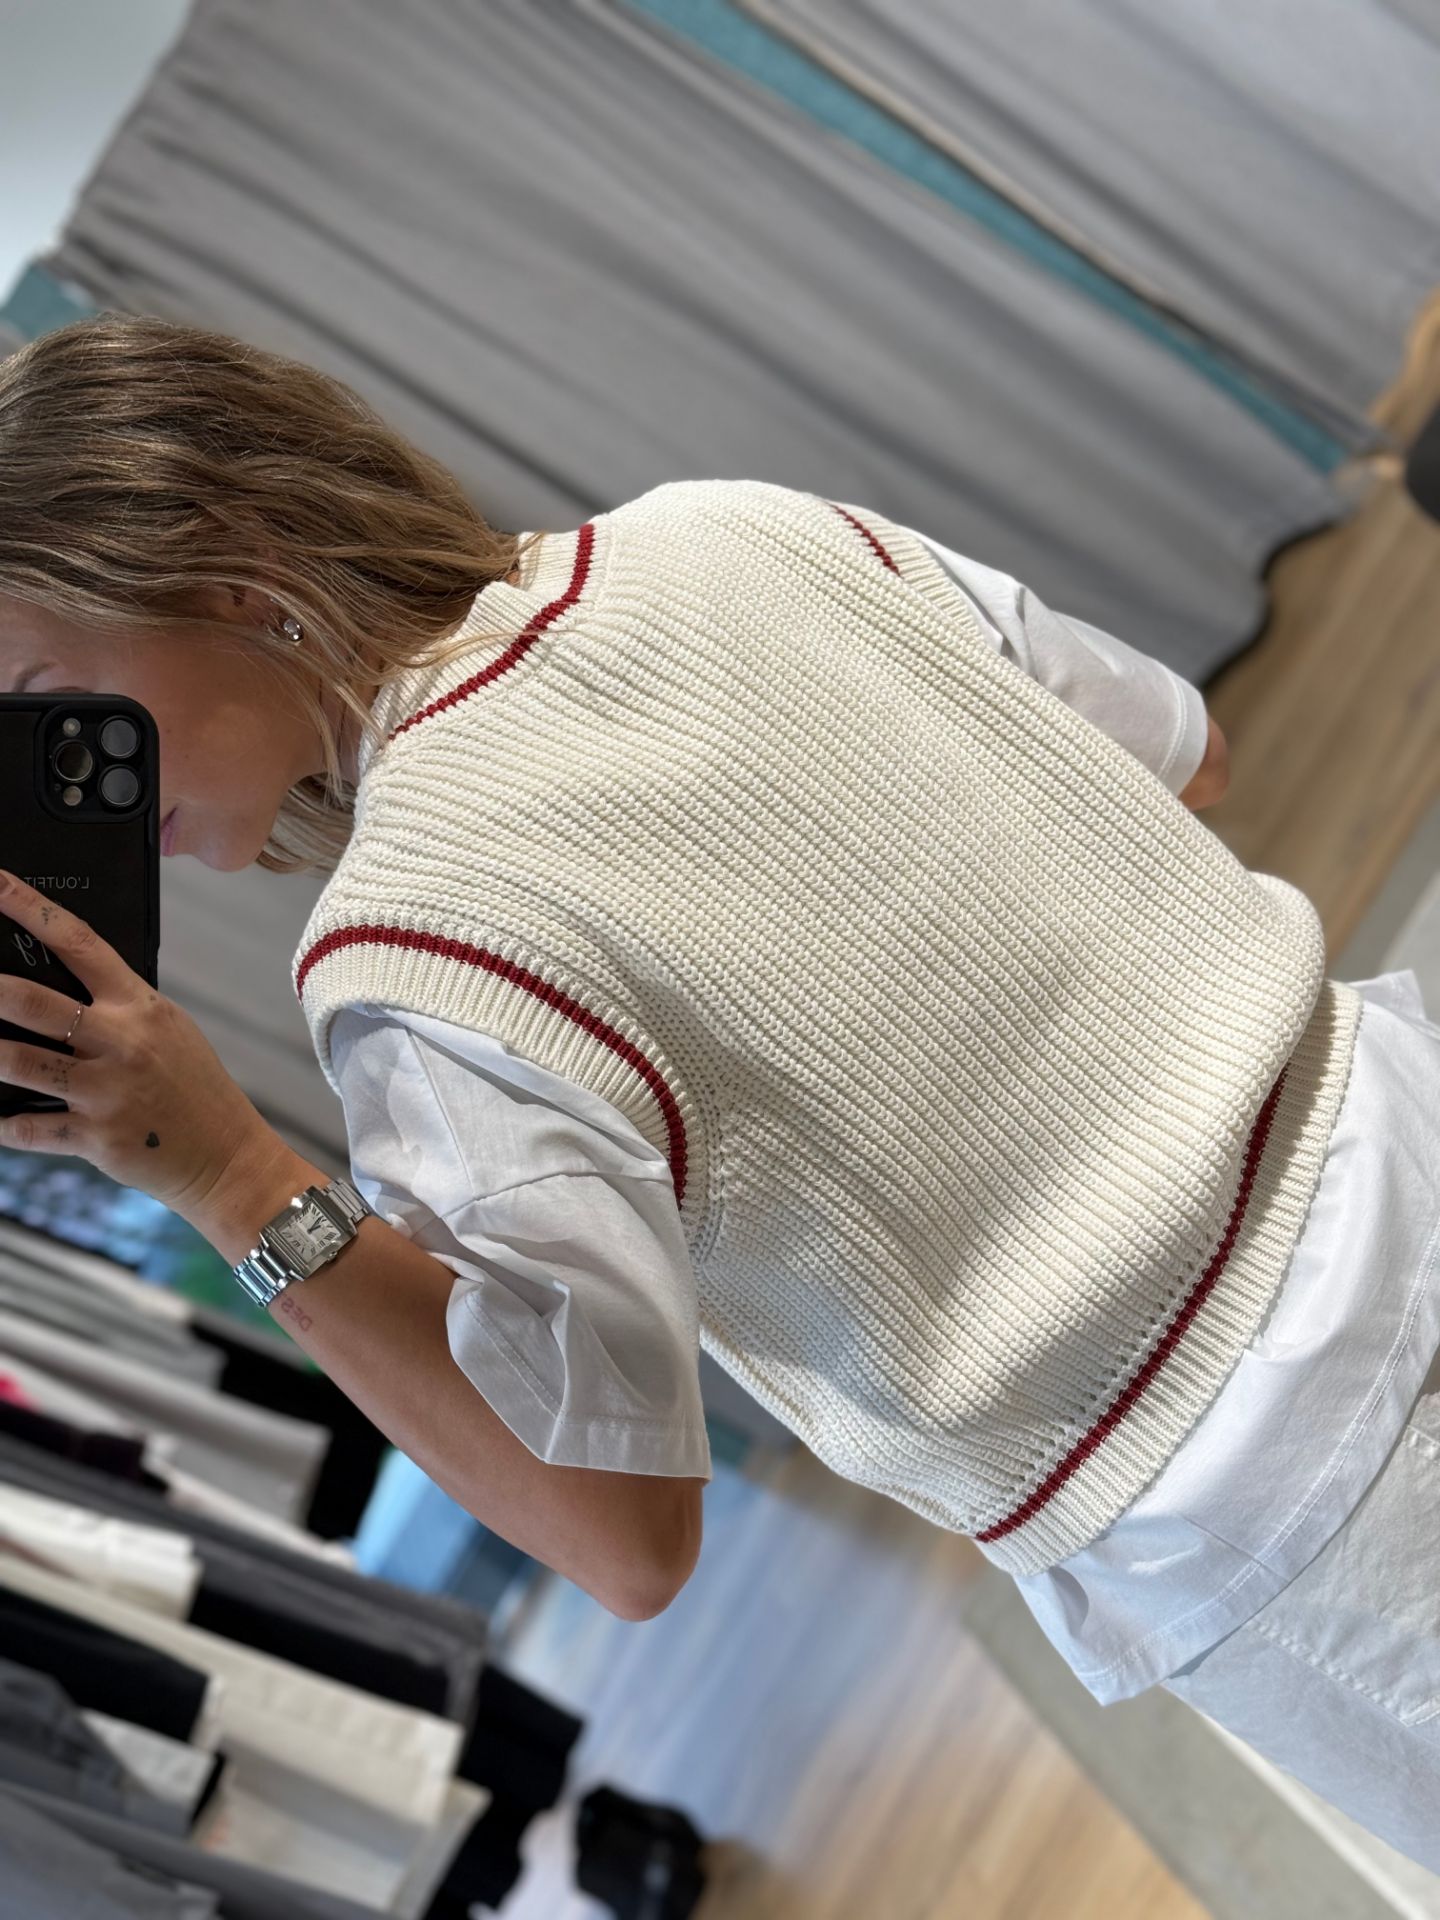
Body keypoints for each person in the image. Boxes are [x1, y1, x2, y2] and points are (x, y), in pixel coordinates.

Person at [3, 312, 1440, 1871]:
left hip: (1274, 1489)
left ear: (222, 568)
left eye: (44, 701)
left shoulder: (410, 961)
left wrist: (227, 1175)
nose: (53, 787)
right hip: (1398, 1127)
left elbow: (619, 1534)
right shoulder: (726, 530)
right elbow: (1186, 754)